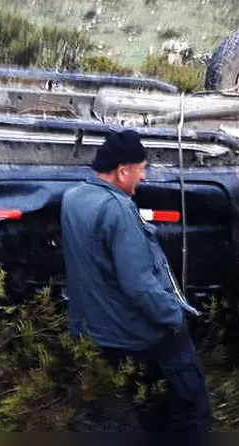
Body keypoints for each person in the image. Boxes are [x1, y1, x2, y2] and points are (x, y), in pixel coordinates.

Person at [60, 128, 211, 435]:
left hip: (99, 334)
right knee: (189, 410)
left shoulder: (72, 199)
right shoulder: (118, 209)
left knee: (140, 410)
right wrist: (174, 318)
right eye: (141, 170)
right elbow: (139, 285)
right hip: (138, 335)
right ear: (122, 170)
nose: (143, 178)